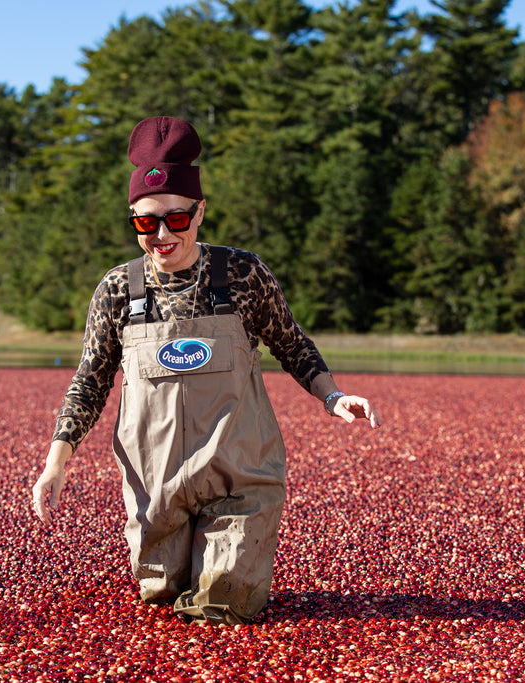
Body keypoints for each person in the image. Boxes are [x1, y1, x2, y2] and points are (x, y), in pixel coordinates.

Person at [32, 116, 382, 625]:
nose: (162, 234)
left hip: (240, 474)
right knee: (160, 595)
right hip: (157, 486)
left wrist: (332, 396)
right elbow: (90, 378)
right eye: (145, 222)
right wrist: (56, 462)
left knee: (227, 601)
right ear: (132, 219)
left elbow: (291, 341)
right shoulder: (117, 290)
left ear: (201, 212)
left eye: (177, 218)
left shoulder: (243, 274)